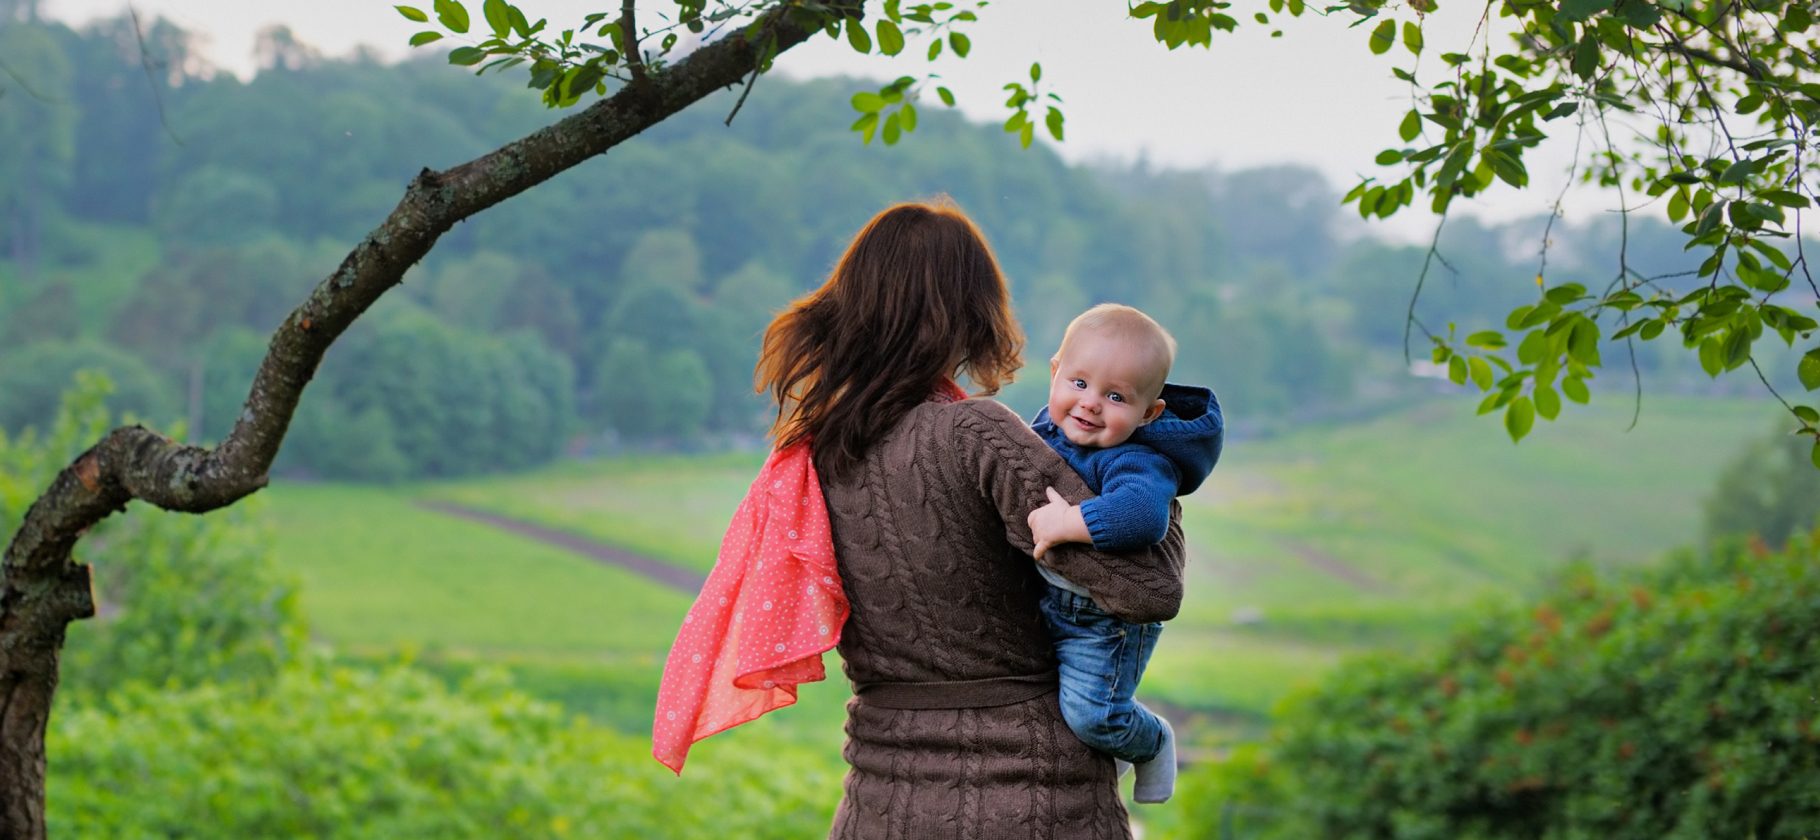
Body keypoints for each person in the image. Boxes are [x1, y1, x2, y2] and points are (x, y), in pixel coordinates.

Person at [755, 200, 1187, 839]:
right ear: (966, 315)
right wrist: (1157, 477)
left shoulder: (812, 455)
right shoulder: (974, 434)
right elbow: (1150, 589)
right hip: (1037, 802)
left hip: (879, 806)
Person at [1023, 304, 1224, 804]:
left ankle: (1151, 741)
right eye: (1078, 383)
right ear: (1054, 373)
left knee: (1096, 715)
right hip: (1050, 603)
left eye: (1115, 396)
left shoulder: (1137, 459)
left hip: (1104, 623)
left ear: (1148, 413)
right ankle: (1103, 758)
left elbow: (1141, 516)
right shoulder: (1042, 430)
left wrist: (1066, 522)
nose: (1090, 404)